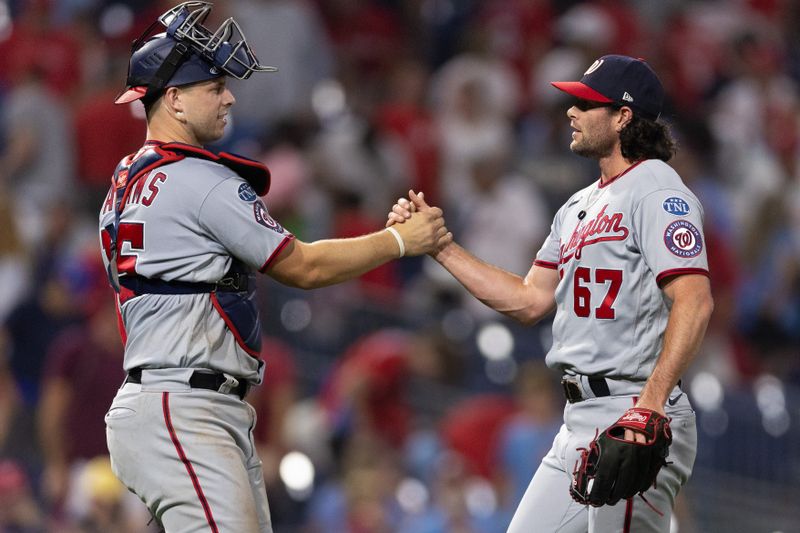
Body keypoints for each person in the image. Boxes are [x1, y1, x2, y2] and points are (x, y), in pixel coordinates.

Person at [99, 3, 449, 532]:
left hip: (174, 403)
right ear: (172, 99)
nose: (229, 96)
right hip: (184, 408)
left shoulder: (123, 185)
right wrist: (400, 239)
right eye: (213, 87)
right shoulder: (198, 179)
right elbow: (302, 267)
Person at [389, 55, 714, 532]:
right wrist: (442, 247)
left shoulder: (659, 191)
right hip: (577, 421)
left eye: (587, 103)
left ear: (623, 117)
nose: (571, 111)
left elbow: (696, 300)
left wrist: (651, 404)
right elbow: (529, 300)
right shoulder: (577, 206)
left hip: (633, 410)